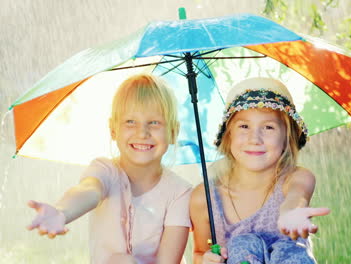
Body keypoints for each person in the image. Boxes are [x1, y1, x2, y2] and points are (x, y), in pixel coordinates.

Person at [27, 74, 192, 264]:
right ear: (113, 129)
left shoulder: (180, 192)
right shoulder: (105, 171)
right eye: (130, 122)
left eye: (154, 123)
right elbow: (88, 191)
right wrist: (62, 211)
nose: (142, 133)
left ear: (173, 132)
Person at [190, 77, 331, 264]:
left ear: (287, 139)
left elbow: (297, 197)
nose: (254, 139)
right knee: (242, 244)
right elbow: (200, 252)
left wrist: (292, 212)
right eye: (244, 126)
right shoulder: (204, 198)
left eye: (268, 127)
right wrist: (206, 261)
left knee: (289, 247)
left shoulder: (295, 178)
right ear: (228, 135)